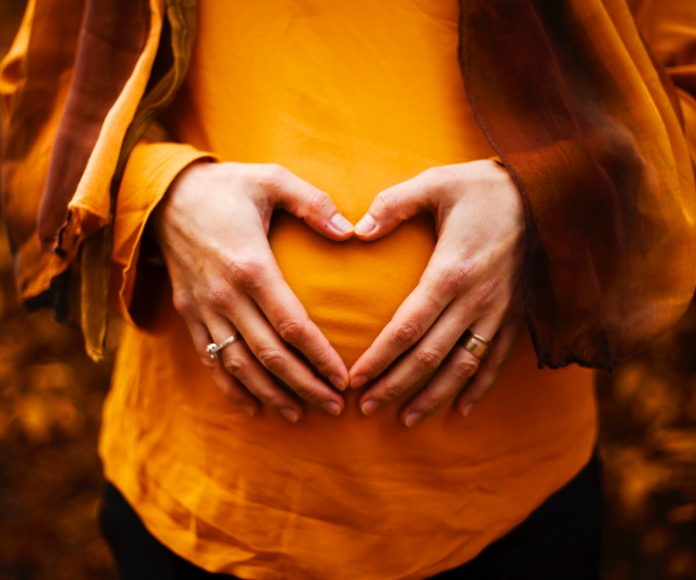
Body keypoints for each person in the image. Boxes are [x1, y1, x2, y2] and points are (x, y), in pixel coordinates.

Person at [2, 0, 696, 578]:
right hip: (201, 506)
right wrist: (160, 194)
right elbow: (42, 101)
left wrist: (543, 202)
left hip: (510, 513)